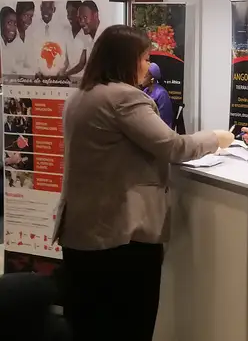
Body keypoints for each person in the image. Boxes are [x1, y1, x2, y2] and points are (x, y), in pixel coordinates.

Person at [53, 25, 234, 341]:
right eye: (145, 58)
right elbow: (174, 146)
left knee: (88, 324)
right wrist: (214, 138)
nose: (148, 66)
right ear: (127, 60)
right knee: (131, 325)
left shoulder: (80, 95)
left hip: (82, 232)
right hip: (120, 237)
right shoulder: (124, 98)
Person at [142, 63, 173, 129]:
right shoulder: (145, 91)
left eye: (145, 75)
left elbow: (164, 120)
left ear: (152, 78)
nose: (142, 78)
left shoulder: (162, 94)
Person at [62, 1, 89, 78]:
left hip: (82, 78)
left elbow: (82, 64)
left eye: (73, 13)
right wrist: (61, 72)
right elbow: (67, 61)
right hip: (69, 77)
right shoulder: (66, 33)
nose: (70, 16)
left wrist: (66, 74)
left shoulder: (86, 34)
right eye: (68, 13)